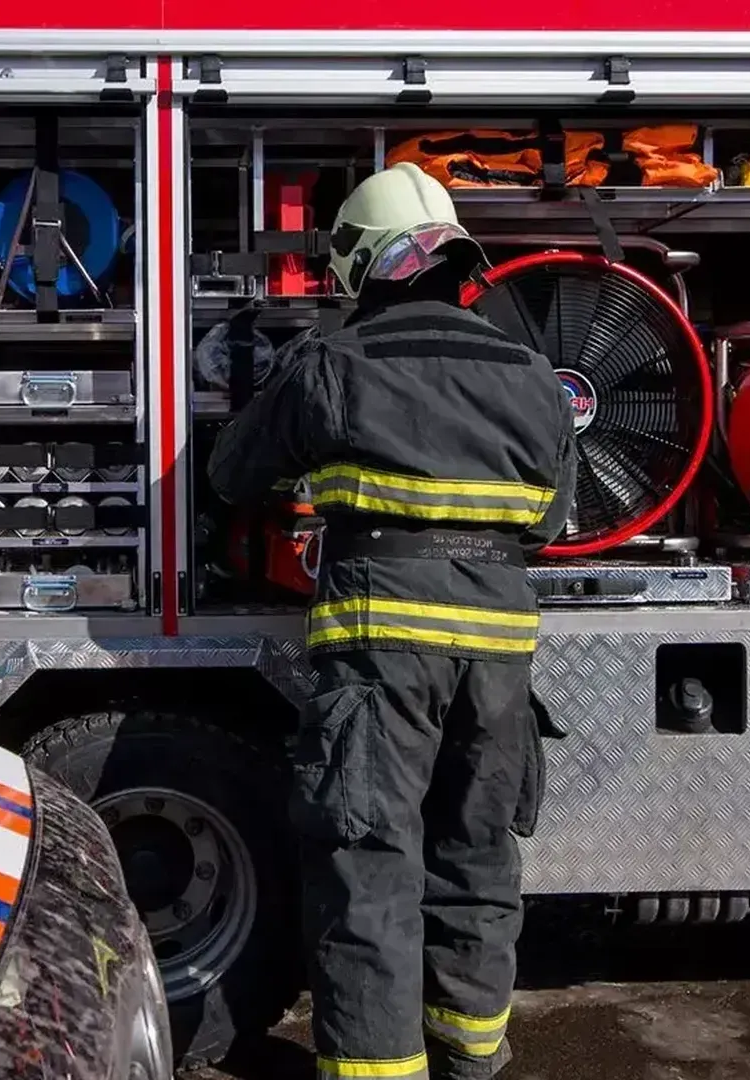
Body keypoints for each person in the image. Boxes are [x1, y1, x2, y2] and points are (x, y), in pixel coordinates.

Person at [206, 161, 577, 1080]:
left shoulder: (336, 363)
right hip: (500, 652)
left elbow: (230, 475)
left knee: (370, 862)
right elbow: (552, 520)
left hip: (383, 646)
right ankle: (472, 1057)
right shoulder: (533, 377)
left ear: (363, 266)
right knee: (477, 854)